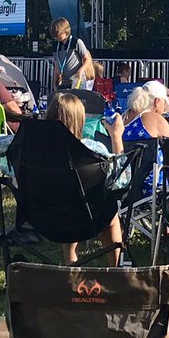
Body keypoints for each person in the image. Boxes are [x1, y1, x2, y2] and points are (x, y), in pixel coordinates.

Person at [45, 92, 124, 266]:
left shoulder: (31, 146)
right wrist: (116, 137)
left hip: (42, 216)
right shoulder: (91, 148)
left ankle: (70, 260)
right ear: (80, 120)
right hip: (86, 218)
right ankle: (115, 267)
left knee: (66, 200)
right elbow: (122, 179)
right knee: (109, 212)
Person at [50, 17, 93, 89]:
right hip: (63, 82)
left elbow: (87, 59)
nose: (56, 37)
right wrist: (54, 83)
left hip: (77, 81)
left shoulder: (76, 42)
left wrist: (80, 71)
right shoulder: (55, 45)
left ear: (65, 31)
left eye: (58, 34)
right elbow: (57, 65)